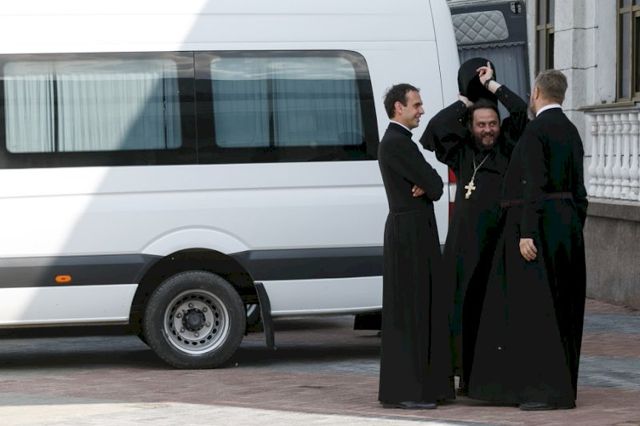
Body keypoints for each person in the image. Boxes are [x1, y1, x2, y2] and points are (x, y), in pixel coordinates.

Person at [468, 69, 588, 411]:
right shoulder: (571, 130)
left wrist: (527, 232)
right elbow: (580, 190)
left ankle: (544, 391)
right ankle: (563, 387)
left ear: (536, 92)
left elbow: (533, 184)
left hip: (541, 227)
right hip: (567, 227)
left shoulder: (536, 131)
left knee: (539, 310)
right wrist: (574, 223)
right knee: (565, 307)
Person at [419, 59, 528, 395]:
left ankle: (488, 379)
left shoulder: (508, 147)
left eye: (492, 123)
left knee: (490, 313)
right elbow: (433, 131)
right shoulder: (462, 151)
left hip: (497, 244)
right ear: (471, 126)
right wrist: (465, 101)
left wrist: (493, 86)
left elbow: (520, 111)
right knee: (461, 311)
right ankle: (462, 375)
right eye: (481, 125)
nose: (488, 130)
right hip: (463, 246)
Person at [377, 83, 454, 409]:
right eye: (417, 105)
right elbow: (435, 185)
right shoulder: (397, 143)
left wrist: (427, 182)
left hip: (413, 231)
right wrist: (427, 183)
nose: (422, 110)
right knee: (412, 311)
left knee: (420, 308)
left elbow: (433, 184)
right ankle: (409, 391)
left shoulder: (400, 142)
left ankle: (424, 387)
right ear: (399, 107)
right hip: (409, 235)